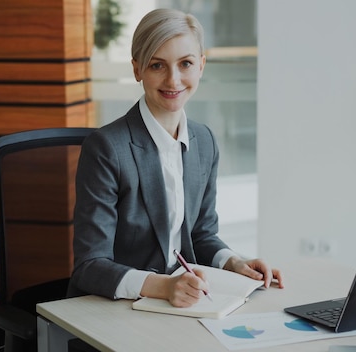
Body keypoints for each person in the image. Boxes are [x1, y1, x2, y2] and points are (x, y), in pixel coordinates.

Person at [67, 8, 283, 307]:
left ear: (201, 66)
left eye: (186, 64)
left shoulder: (204, 141)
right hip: (113, 305)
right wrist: (164, 287)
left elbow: (201, 235)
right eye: (157, 65)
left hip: (181, 302)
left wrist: (234, 263)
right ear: (137, 69)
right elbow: (89, 267)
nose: (173, 79)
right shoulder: (106, 148)